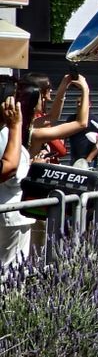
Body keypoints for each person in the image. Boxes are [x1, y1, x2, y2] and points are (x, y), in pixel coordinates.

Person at [0, 81, 39, 269]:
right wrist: (16, 125)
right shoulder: (7, 134)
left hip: (10, 214)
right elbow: (9, 169)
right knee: (11, 270)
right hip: (10, 214)